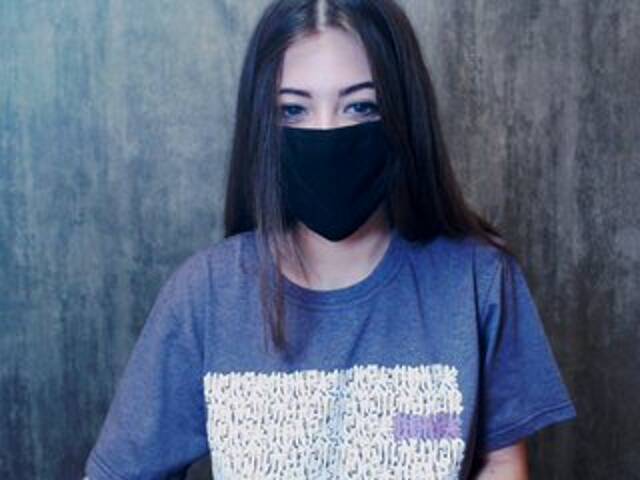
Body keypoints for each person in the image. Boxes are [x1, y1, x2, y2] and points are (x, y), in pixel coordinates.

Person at [83, 1, 577, 479]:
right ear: (262, 122)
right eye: (293, 109)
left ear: (403, 112)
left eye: (360, 105)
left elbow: (499, 462)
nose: (327, 132)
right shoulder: (206, 294)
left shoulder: (478, 281)